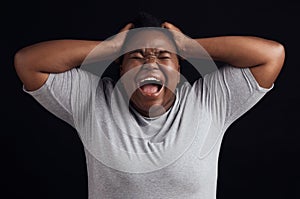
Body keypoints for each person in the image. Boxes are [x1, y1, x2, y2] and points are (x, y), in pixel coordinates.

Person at [14, 12, 285, 199]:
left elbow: (271, 55)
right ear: (121, 69)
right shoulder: (94, 101)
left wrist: (189, 46)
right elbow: (28, 62)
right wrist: (110, 47)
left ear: (179, 67)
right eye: (137, 56)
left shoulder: (209, 101)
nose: (150, 64)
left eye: (163, 56)